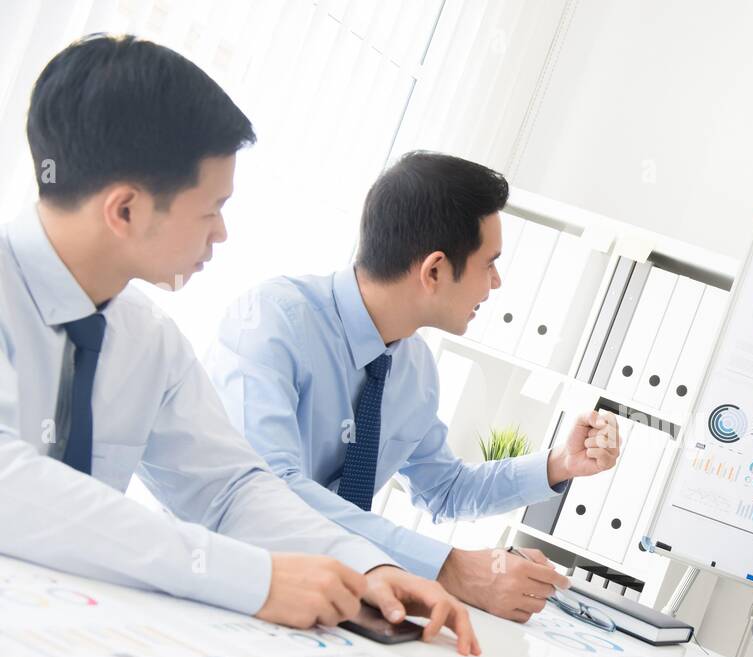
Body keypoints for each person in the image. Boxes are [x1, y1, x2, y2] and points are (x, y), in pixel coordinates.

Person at [0, 35, 476, 653]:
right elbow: (16, 488)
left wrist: (369, 568)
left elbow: (228, 488)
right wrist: (252, 579)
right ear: (125, 210)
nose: (222, 233)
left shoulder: (148, 340)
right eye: (211, 209)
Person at [206, 151, 620, 623]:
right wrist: (450, 569)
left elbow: (444, 488)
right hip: (228, 596)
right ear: (435, 270)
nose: (497, 282)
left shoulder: (414, 368)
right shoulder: (271, 321)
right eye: (490, 264)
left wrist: (558, 464)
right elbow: (269, 491)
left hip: (325, 613)